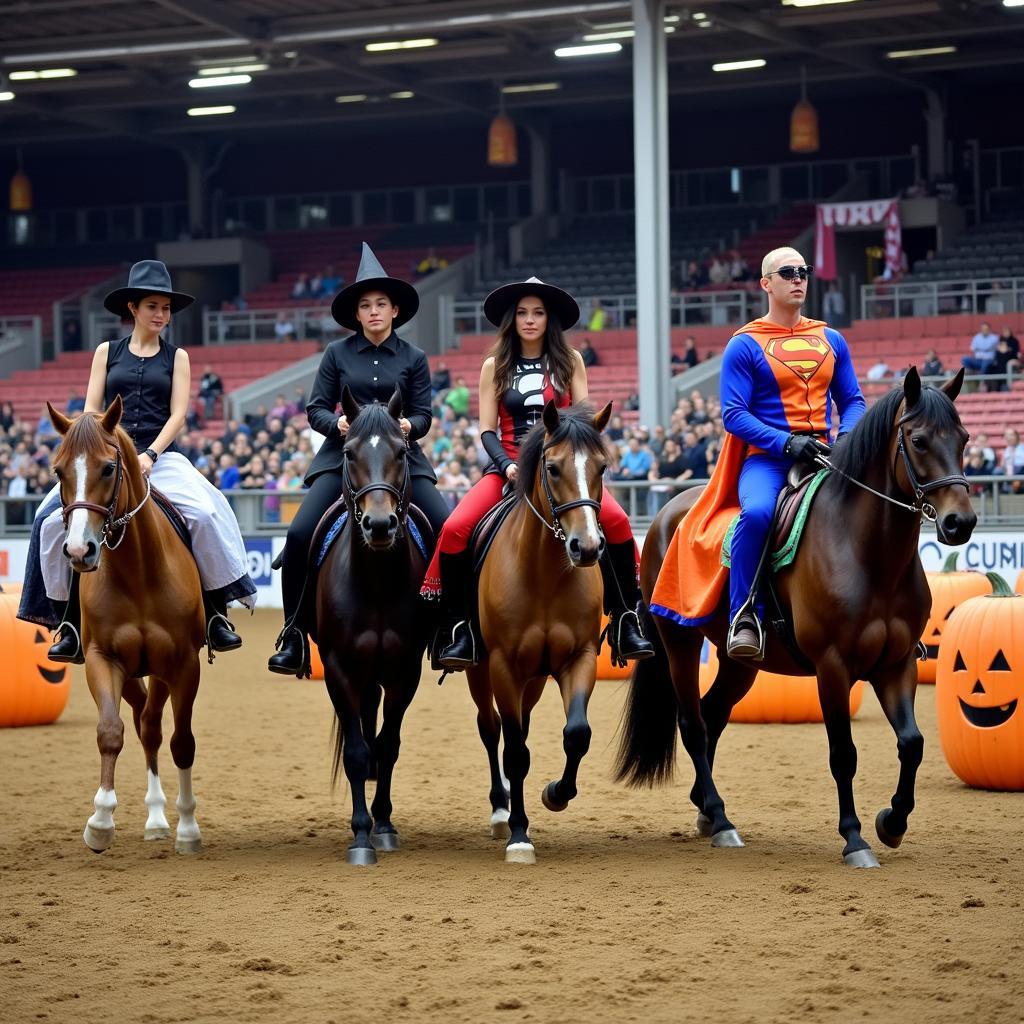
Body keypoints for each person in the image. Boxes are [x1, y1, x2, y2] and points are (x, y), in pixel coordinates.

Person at [19, 260, 255, 663]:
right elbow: (91, 408)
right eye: (152, 307)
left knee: (205, 512)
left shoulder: (177, 356)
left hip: (159, 457)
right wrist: (100, 447)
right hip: (105, 457)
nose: (161, 315)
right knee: (47, 521)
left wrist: (149, 454)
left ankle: (216, 613)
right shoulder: (105, 352)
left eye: (166, 308)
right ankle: (68, 622)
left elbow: (179, 414)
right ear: (133, 308)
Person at [421, 276, 654, 669]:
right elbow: (487, 430)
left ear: (550, 319)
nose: (530, 320)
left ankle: (625, 619)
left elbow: (584, 419)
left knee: (616, 520)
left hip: (562, 468)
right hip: (508, 468)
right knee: (456, 527)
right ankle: (458, 625)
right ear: (512, 319)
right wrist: (508, 465)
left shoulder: (571, 361)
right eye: (523, 313)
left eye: (539, 313)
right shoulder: (494, 366)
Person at [268, 243, 450, 674]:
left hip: (399, 461)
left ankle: (447, 629)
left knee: (446, 527)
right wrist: (338, 427)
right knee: (297, 535)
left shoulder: (414, 358)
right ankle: (293, 633)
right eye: (366, 305)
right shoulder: (336, 354)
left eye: (380, 304)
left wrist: (408, 428)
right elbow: (315, 409)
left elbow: (424, 413)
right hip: (343, 459)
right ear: (356, 313)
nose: (373, 311)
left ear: (394, 310)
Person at [715, 247, 866, 658]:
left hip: (826, 455)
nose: (798, 278)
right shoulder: (744, 345)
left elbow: (852, 400)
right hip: (766, 459)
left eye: (803, 271)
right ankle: (744, 614)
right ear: (766, 284)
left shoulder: (831, 338)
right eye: (787, 273)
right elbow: (733, 415)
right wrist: (785, 441)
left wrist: (847, 439)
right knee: (760, 513)